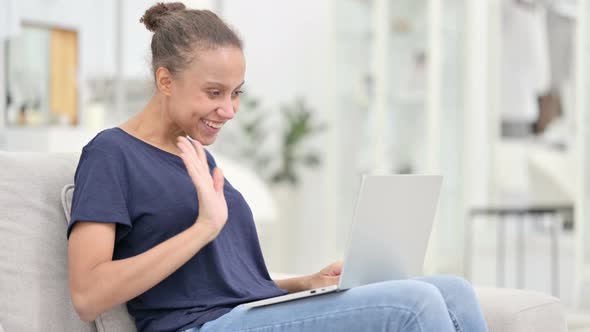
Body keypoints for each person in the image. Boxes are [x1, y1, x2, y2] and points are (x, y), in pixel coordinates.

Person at [67, 2, 489, 332]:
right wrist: (203, 228)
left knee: (452, 290)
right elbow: (87, 293)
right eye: (214, 92)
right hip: (196, 326)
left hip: (245, 314)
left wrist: (303, 283)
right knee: (414, 305)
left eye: (236, 93)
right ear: (165, 81)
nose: (228, 109)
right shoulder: (111, 154)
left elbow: (223, 282)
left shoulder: (195, 154)